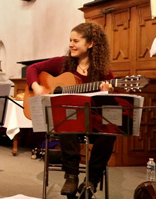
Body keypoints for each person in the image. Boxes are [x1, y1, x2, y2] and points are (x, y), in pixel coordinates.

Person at [25, 22, 115, 198]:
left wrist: (107, 92)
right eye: (70, 40)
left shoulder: (103, 72)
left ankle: (92, 180)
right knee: (66, 118)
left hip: (92, 122)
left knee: (111, 131)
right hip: (69, 123)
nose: (71, 44)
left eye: (76, 41)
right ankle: (71, 176)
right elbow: (32, 68)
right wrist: (36, 87)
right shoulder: (63, 64)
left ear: (90, 44)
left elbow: (112, 102)